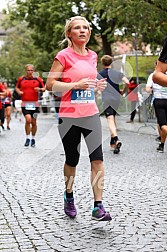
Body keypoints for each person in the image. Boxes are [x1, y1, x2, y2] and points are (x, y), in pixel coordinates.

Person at [46, 16, 111, 221]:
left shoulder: (92, 55)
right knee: (72, 160)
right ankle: (69, 195)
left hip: (90, 114)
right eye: (77, 28)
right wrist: (74, 86)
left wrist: (96, 86)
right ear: (69, 34)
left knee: (97, 159)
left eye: (85, 28)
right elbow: (50, 84)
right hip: (69, 117)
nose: (82, 30)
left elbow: (89, 82)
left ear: (89, 33)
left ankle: (98, 206)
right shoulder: (63, 56)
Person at [98, 55, 129, 154]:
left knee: (110, 119)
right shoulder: (117, 73)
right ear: (111, 63)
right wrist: (123, 91)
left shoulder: (100, 74)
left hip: (107, 98)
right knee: (113, 118)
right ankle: (113, 143)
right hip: (116, 98)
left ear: (103, 63)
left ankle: (116, 139)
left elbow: (97, 85)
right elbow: (127, 82)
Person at [15, 64, 45, 147]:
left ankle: (33, 138)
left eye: (31, 70)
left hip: (35, 104)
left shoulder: (38, 79)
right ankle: (27, 138)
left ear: (33, 71)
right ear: (26, 71)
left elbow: (44, 88)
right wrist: (19, 92)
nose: (30, 72)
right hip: (25, 103)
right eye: (28, 70)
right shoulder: (21, 79)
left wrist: (39, 89)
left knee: (34, 122)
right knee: (28, 120)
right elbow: (17, 87)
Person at [146, 71, 167, 153]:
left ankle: (161, 145)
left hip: (158, 100)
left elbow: (147, 89)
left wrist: (153, 89)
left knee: (162, 125)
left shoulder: (153, 75)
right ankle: (161, 144)